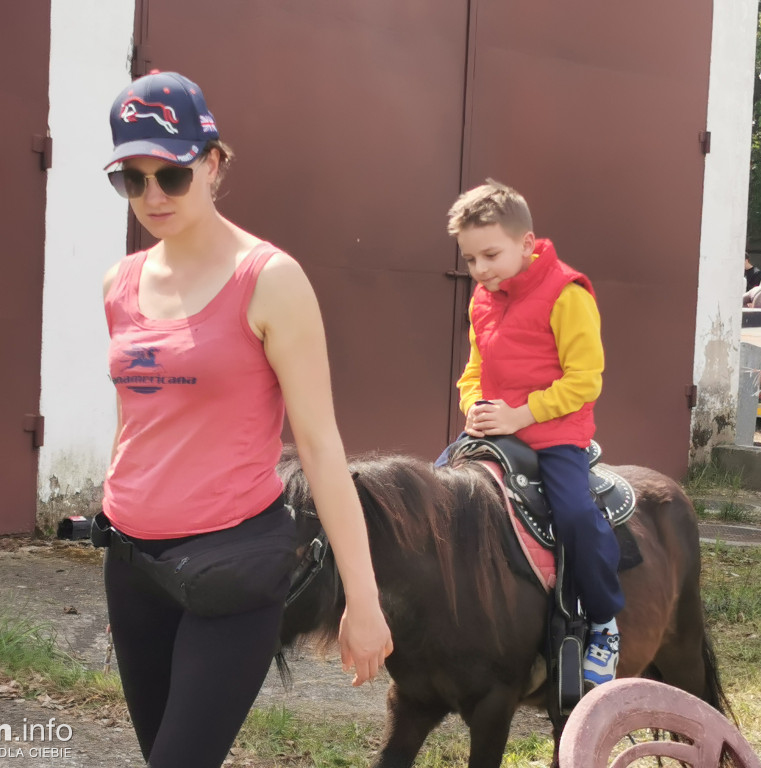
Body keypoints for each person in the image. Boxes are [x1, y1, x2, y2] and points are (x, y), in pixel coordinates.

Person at [98, 71, 392, 768]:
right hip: (134, 565)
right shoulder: (120, 282)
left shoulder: (269, 280)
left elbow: (320, 446)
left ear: (213, 163)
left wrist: (364, 599)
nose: (152, 197)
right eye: (131, 180)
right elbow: (135, 419)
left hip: (230, 567)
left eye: (171, 175)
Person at [445, 179, 624, 688]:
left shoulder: (568, 294)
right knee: (433, 498)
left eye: (491, 255)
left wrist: (520, 416)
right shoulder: (483, 298)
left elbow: (585, 381)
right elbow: (474, 371)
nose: (480, 270)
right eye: (470, 259)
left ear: (526, 243)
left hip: (553, 435)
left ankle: (604, 623)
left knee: (574, 515)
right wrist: (474, 407)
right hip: (494, 430)